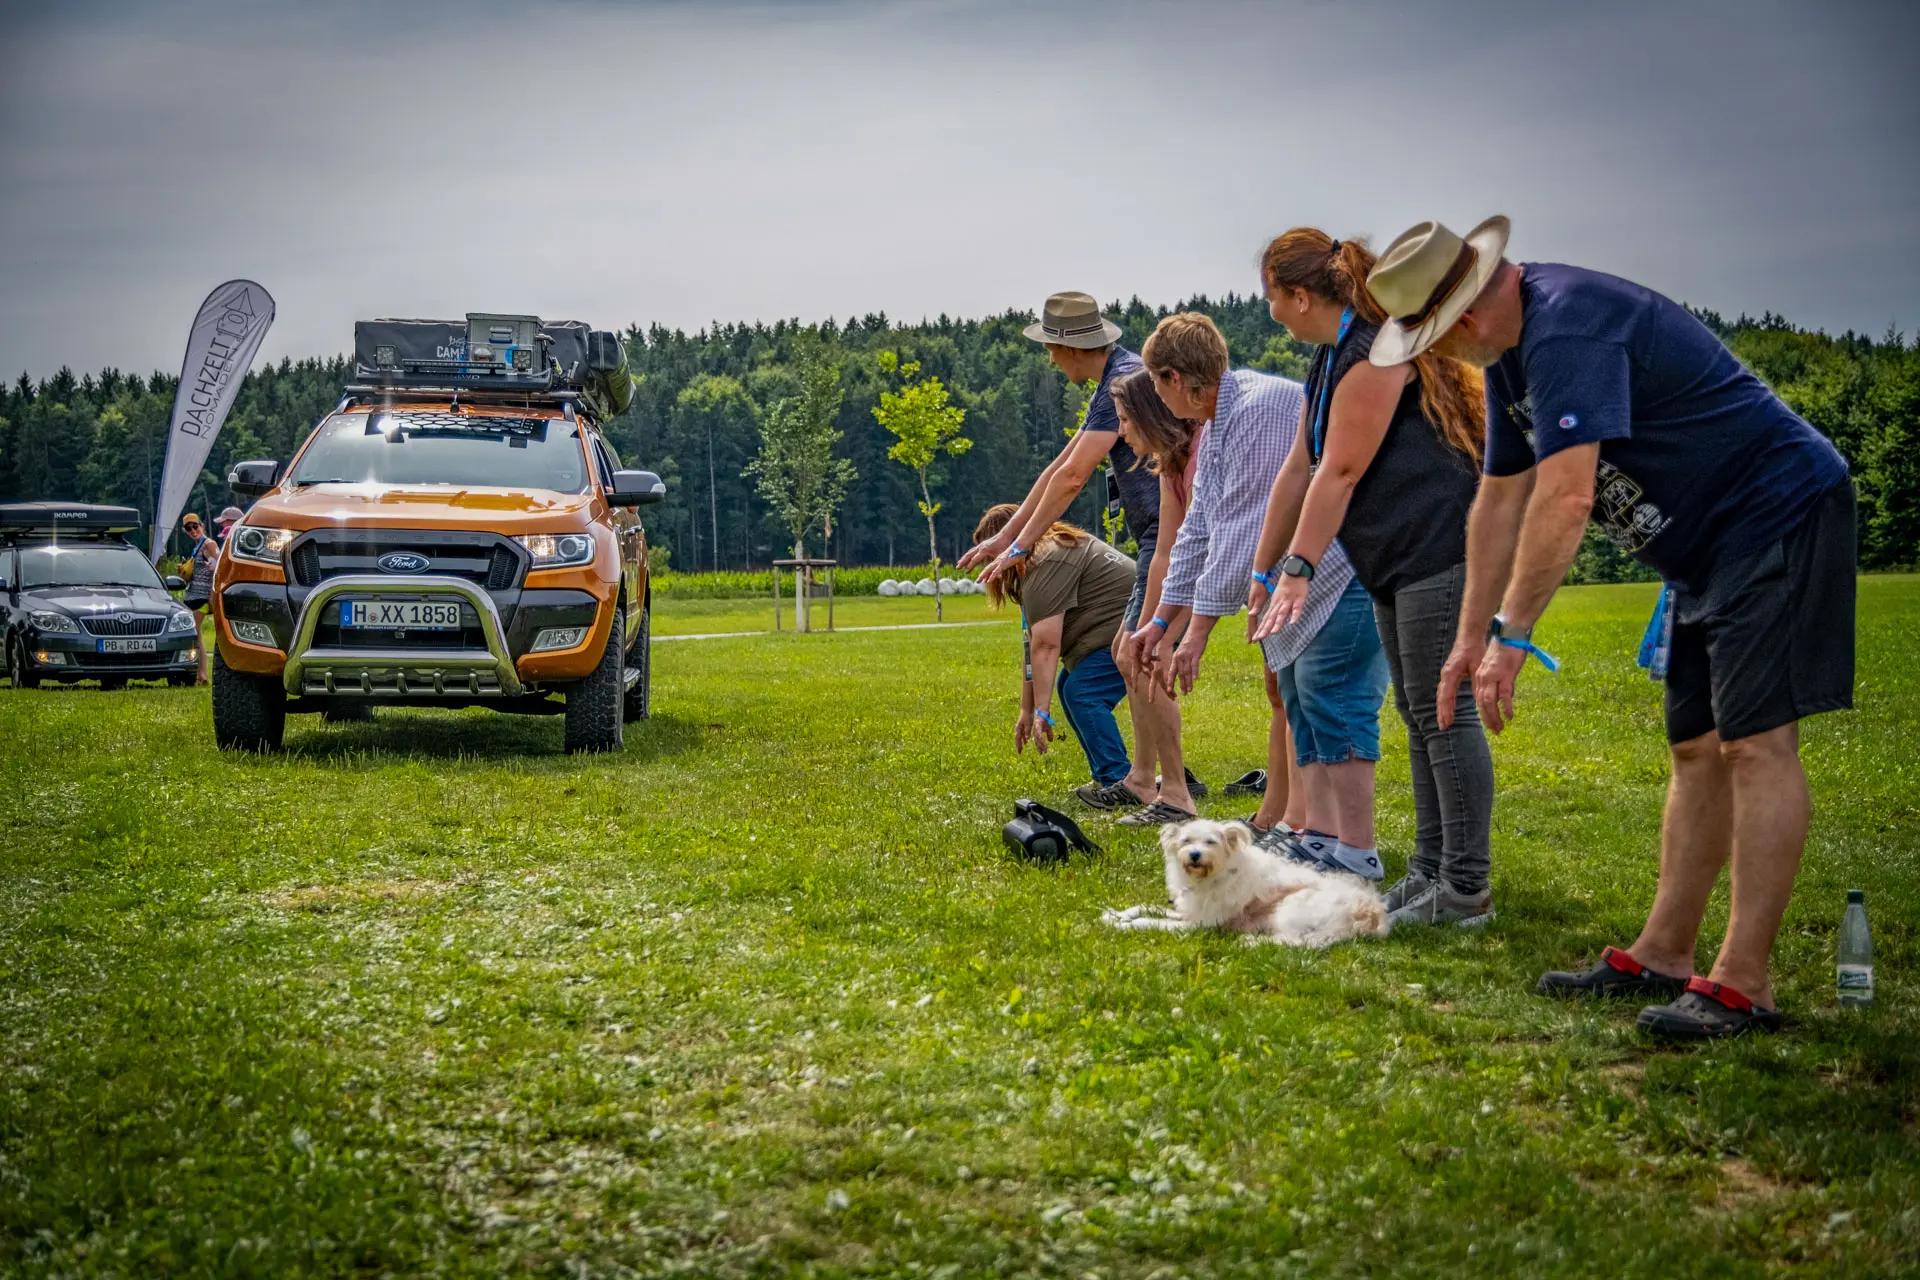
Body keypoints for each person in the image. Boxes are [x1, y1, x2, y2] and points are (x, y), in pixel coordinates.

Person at [1365, 215, 1853, 1040]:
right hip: (1704, 553)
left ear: (1466, 321)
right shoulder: (1515, 350)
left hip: (1777, 516)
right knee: (1696, 747)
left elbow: (1567, 498)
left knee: (1755, 745)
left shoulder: (1569, 327)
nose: (1440, 356)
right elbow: (1499, 504)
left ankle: (1743, 982)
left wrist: (1514, 635)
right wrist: (1468, 639)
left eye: (1436, 340)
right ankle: (1663, 953)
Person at [1249, 228, 1495, 924]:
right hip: (1391, 557)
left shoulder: (1373, 353)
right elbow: (1300, 467)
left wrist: (1298, 569)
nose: (1269, 310)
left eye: (1271, 296)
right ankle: (1428, 873)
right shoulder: (1329, 361)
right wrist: (1262, 569)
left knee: (1445, 712)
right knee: (1421, 713)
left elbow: (1343, 469)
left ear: (1300, 295)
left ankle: (1465, 888)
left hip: (1437, 546)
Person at [1122, 312, 1382, 865]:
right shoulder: (1220, 421)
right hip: (1303, 583)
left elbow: (1243, 532)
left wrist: (1194, 635)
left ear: (1173, 379)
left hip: (1342, 571)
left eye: (1155, 382)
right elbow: (1200, 531)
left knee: (1331, 700)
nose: (1157, 396)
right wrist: (1162, 622)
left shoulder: (1258, 411)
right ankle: (1320, 836)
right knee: (1302, 699)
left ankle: (1354, 849)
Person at [960, 291, 1204, 814]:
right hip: (1154, 534)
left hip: (1171, 534)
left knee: (1142, 656)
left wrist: (1023, 544)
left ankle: (1174, 791)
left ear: (1071, 346)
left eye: (1051, 347)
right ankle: (1143, 781)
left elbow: (1072, 479)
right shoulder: (1112, 383)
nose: (1049, 358)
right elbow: (1058, 467)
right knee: (1130, 653)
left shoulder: (1124, 381)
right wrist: (1007, 539)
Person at [974, 504, 1139, 795]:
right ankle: (1107, 775)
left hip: (1139, 627)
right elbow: (1032, 644)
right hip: (1119, 630)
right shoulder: (1039, 561)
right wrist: (1027, 709)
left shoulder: (1047, 561)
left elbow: (1046, 645)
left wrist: (1042, 711)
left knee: (1083, 692)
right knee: (1069, 686)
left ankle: (1119, 779)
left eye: (990, 554)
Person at [178, 512, 218, 685]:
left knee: (196, 634)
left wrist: (212, 595)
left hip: (202, 595)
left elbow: (221, 565)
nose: (193, 530)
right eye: (189, 528)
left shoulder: (209, 544)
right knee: (196, 634)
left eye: (195, 526)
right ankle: (200, 674)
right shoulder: (197, 546)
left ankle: (202, 674)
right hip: (193, 593)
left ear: (202, 525)